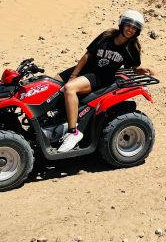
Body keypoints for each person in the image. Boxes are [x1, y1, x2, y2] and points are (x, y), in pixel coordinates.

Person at [56, 10, 154, 152]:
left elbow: (133, 68)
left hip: (100, 77)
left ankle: (73, 132)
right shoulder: (106, 36)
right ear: (122, 25)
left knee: (70, 89)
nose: (130, 30)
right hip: (85, 69)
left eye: (134, 28)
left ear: (137, 31)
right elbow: (87, 55)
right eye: (128, 25)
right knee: (52, 82)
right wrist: (73, 74)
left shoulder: (132, 48)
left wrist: (142, 70)